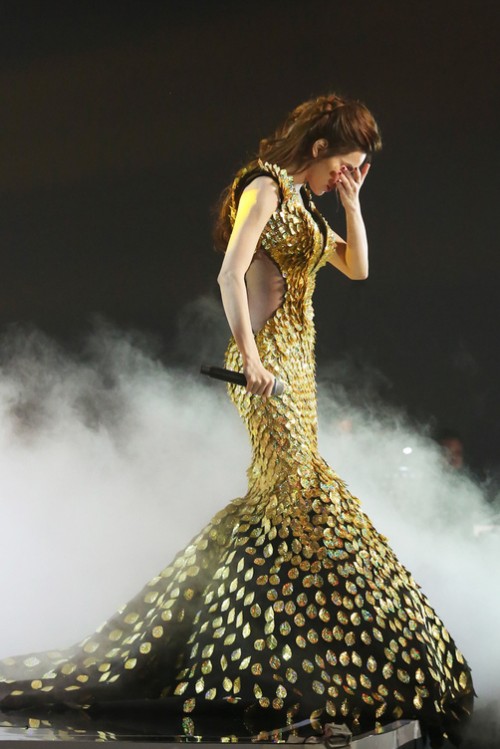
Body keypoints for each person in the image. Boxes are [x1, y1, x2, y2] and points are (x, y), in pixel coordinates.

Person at [0, 94, 473, 747]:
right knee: (296, 500)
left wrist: (353, 203)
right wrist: (250, 357)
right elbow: (230, 274)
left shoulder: (305, 203)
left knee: (282, 506)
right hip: (264, 366)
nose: (346, 174)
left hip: (296, 372)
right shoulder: (265, 188)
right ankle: (286, 659)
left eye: (356, 169)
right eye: (345, 163)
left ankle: (261, 650)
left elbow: (358, 268)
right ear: (318, 148)